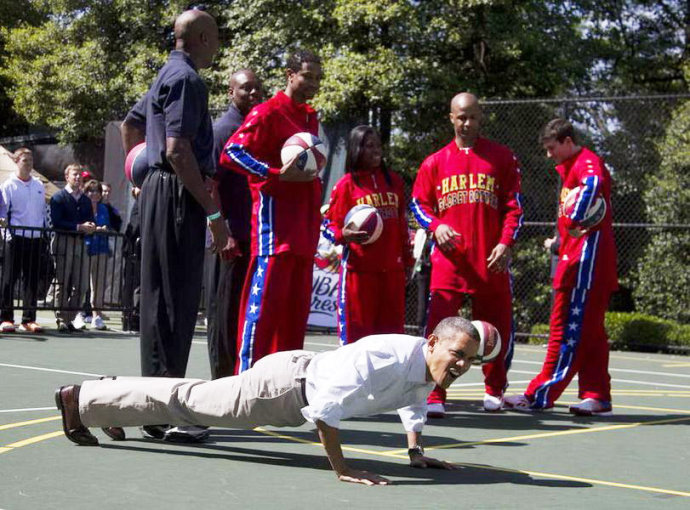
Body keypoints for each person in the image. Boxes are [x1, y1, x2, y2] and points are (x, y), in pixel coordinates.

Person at [55, 316, 480, 486]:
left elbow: (413, 403)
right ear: (432, 343)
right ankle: (84, 399)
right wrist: (343, 468)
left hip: (294, 380)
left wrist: (415, 450)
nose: (461, 364)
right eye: (457, 354)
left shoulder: (424, 367)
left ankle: (106, 398)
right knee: (190, 403)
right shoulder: (384, 358)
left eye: (470, 359)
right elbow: (326, 412)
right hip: (281, 389)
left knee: (193, 397)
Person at [119, 9, 231, 442]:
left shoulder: (167, 72)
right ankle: (161, 413)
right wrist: (215, 214)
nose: (218, 44)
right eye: (216, 36)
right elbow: (178, 150)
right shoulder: (187, 80)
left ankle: (157, 407)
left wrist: (139, 178)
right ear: (202, 36)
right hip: (179, 194)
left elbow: (133, 124)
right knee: (173, 303)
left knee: (164, 300)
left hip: (163, 190)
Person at [410, 92, 523, 416]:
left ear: (481, 117)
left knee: (496, 329)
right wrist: (435, 226)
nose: (467, 123)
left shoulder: (501, 158)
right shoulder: (434, 162)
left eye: (473, 116)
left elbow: (514, 208)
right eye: (461, 116)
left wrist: (505, 243)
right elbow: (418, 205)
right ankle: (435, 394)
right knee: (440, 329)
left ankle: (494, 389)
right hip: (449, 264)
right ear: (451, 118)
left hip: (491, 262)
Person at [504, 118, 618, 416]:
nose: (548, 154)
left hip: (585, 266)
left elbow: (593, 187)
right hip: (578, 261)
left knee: (565, 330)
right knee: (592, 334)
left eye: (552, 148)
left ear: (568, 142)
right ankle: (597, 395)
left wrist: (577, 219)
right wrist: (561, 237)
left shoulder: (587, 164)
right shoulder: (571, 169)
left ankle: (539, 394)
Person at [219, 50, 323, 374]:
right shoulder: (268, 111)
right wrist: (274, 173)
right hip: (274, 232)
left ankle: (285, 385)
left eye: (318, 78)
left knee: (294, 315)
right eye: (308, 76)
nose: (313, 84)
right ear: (291, 74)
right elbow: (231, 153)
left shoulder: (310, 117)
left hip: (305, 231)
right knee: (262, 311)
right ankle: (245, 382)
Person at [323, 125, 413, 344]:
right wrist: (343, 234)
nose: (376, 152)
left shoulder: (394, 182)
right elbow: (327, 225)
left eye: (378, 146)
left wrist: (407, 261)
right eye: (369, 146)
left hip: (392, 273)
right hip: (359, 274)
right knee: (357, 340)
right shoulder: (346, 186)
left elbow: (402, 226)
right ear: (356, 150)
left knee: (391, 341)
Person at [206, 68, 262, 379]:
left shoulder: (259, 128)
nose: (253, 94)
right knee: (224, 313)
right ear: (231, 93)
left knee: (247, 315)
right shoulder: (223, 131)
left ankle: (244, 377)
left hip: (257, 238)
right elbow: (209, 184)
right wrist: (221, 231)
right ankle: (222, 381)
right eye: (246, 89)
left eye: (258, 89)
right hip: (232, 239)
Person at [0, 148, 48, 333]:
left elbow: (42, 212)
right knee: (9, 280)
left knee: (31, 281)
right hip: (15, 238)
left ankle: (28, 319)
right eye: (25, 160)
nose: (29, 164)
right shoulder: (8, 185)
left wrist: (42, 233)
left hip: (35, 239)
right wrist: (7, 234)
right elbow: (3, 213)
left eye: (31, 160)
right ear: (17, 162)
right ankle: (5, 318)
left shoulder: (38, 185)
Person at [50, 164, 96, 333]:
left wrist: (91, 226)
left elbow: (90, 219)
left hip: (80, 243)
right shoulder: (59, 197)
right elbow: (57, 222)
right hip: (63, 240)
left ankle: (70, 318)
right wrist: (79, 226)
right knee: (62, 280)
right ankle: (61, 318)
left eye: (80, 175)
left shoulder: (85, 199)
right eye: (74, 174)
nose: (78, 178)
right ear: (67, 176)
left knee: (82, 283)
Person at [83, 180, 111, 331]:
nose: (94, 194)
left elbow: (107, 225)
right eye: (91, 191)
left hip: (101, 249)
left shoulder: (104, 209)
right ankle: (78, 314)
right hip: (86, 248)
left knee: (98, 285)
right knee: (81, 284)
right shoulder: (82, 208)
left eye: (97, 192)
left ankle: (97, 316)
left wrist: (103, 228)